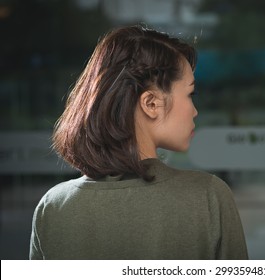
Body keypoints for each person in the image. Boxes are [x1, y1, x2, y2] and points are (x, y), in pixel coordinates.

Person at [29, 25, 248, 260]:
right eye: (190, 94)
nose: (194, 111)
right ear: (151, 103)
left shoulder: (53, 208)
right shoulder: (209, 197)